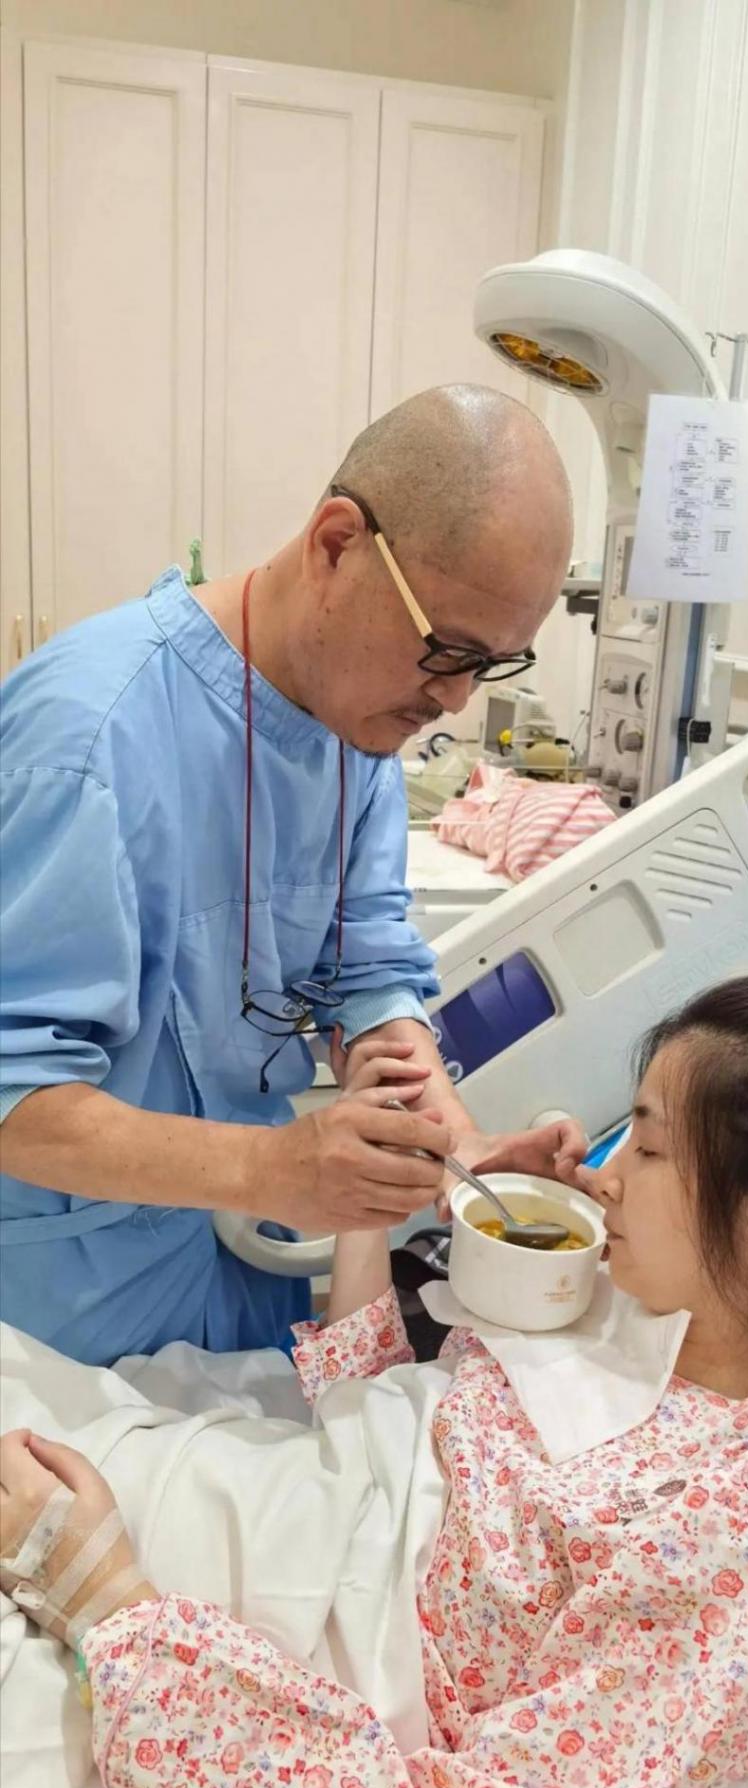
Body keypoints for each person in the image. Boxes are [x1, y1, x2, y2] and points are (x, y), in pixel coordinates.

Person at [2, 970, 748, 1788]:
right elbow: (393, 1415)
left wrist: (107, 1603)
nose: (606, 1177)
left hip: (275, 1634)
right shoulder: (645, 1308)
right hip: (283, 1491)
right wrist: (368, 1205)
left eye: (647, 1149)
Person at [0, 383, 582, 1364]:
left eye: (490, 664)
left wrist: (454, 1145)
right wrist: (271, 1164)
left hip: (238, 1276)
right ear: (336, 545)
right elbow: (14, 1095)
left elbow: (368, 976)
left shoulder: (355, 730)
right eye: (444, 650)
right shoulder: (87, 742)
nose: (453, 700)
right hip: (71, 1314)